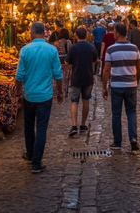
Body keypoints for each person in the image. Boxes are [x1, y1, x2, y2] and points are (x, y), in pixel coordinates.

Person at [15, 22, 63, 173]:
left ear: (31, 32)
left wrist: (17, 93)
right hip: (45, 96)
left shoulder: (25, 50)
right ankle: (36, 162)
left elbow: (19, 75)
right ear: (44, 32)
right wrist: (60, 91)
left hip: (29, 95)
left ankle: (30, 154)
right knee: (41, 128)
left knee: (29, 127)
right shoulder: (51, 50)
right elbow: (58, 74)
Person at [102, 23, 140, 153]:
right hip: (131, 85)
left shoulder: (111, 50)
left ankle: (117, 142)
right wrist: (137, 80)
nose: (113, 34)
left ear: (117, 33)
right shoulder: (134, 48)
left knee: (117, 114)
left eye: (114, 32)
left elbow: (106, 69)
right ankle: (133, 138)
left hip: (117, 86)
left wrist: (104, 86)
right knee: (131, 112)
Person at [65, 27, 98, 136]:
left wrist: (73, 65)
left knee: (74, 101)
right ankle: (83, 124)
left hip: (76, 77)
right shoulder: (91, 47)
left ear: (76, 35)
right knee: (86, 101)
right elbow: (95, 60)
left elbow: (66, 62)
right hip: (88, 77)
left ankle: (74, 125)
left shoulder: (73, 48)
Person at [53, 28, 72, 96]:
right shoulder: (69, 42)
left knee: (59, 74)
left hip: (59, 60)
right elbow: (70, 51)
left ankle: (58, 88)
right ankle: (65, 90)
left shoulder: (57, 43)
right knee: (66, 76)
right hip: (67, 60)